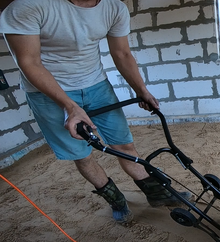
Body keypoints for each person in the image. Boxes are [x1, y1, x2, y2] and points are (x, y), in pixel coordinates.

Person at [0, 0, 190, 224]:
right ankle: (116, 199)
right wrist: (70, 107)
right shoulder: (28, 6)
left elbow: (122, 53)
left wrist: (142, 90)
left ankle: (156, 193)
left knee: (124, 144)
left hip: (96, 85)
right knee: (82, 154)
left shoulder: (113, 7)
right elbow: (29, 61)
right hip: (47, 93)